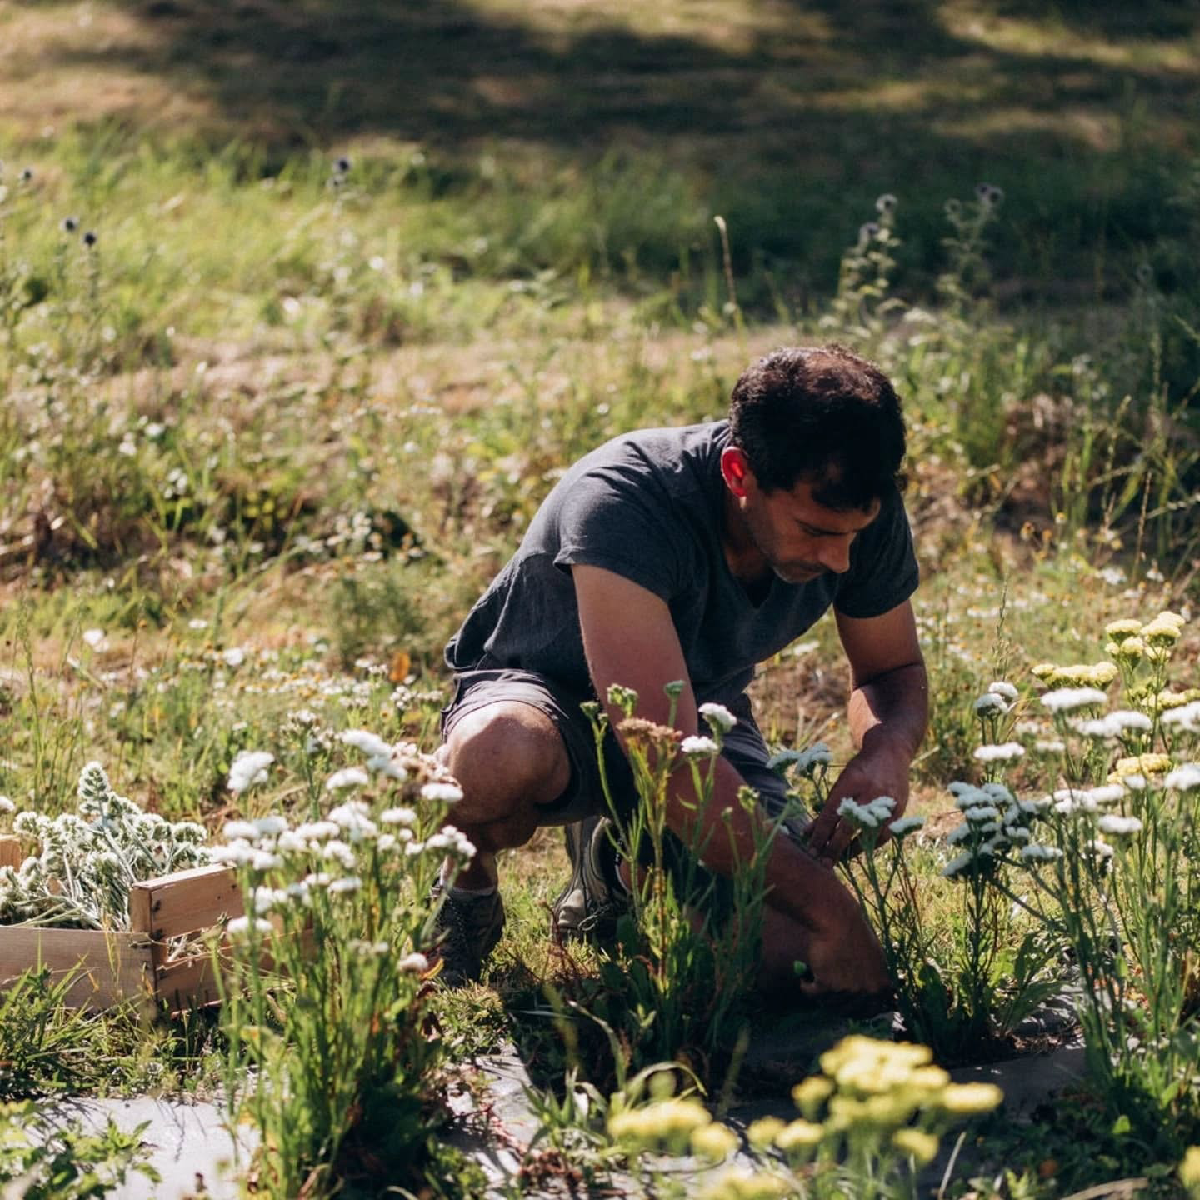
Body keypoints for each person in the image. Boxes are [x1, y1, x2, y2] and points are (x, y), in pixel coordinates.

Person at [433, 344, 928, 996]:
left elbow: (890, 669)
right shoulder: (625, 502)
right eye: (814, 531)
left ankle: (616, 865)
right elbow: (667, 761)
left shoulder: (854, 507)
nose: (839, 560)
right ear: (737, 473)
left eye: (853, 535)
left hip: (697, 721)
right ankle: (468, 884)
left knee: (785, 960)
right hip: (550, 704)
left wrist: (889, 746)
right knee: (497, 755)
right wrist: (839, 914)